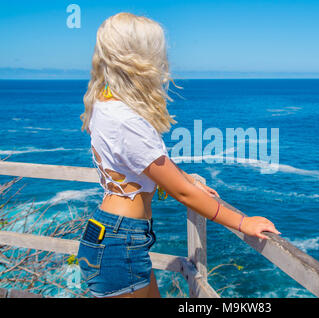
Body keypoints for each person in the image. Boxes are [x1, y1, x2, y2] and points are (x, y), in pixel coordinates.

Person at [77, 12, 280, 298]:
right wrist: (243, 223)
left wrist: (185, 176)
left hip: (115, 234)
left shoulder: (104, 101)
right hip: (119, 241)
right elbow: (182, 193)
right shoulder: (126, 120)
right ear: (139, 58)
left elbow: (150, 165)